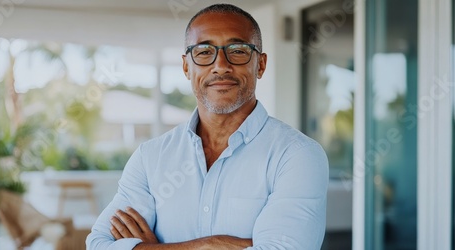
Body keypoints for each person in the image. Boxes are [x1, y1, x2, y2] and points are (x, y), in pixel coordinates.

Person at [86, 3, 328, 250]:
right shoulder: (150, 157)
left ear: (261, 65)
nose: (221, 65)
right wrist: (206, 245)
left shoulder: (297, 155)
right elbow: (98, 244)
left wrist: (155, 248)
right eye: (203, 52)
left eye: (238, 50)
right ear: (186, 67)